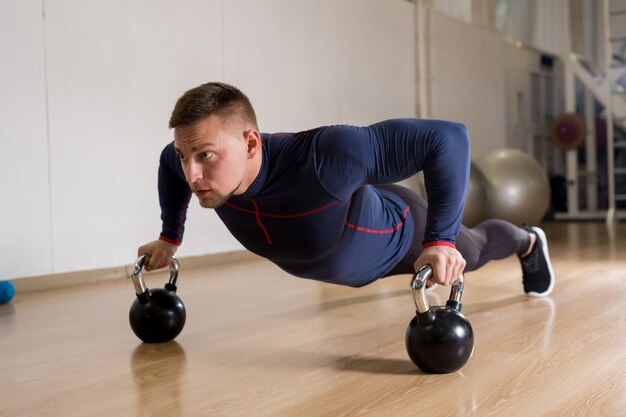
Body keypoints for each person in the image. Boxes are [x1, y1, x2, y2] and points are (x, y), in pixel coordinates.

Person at [138, 82, 554, 296]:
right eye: (183, 155)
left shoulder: (324, 156)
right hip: (347, 263)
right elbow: (166, 165)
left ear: (250, 143)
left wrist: (442, 240)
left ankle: (528, 242)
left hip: (402, 234)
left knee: (474, 250)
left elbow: (447, 138)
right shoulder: (189, 164)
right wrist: (169, 238)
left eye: (205, 156)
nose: (191, 174)